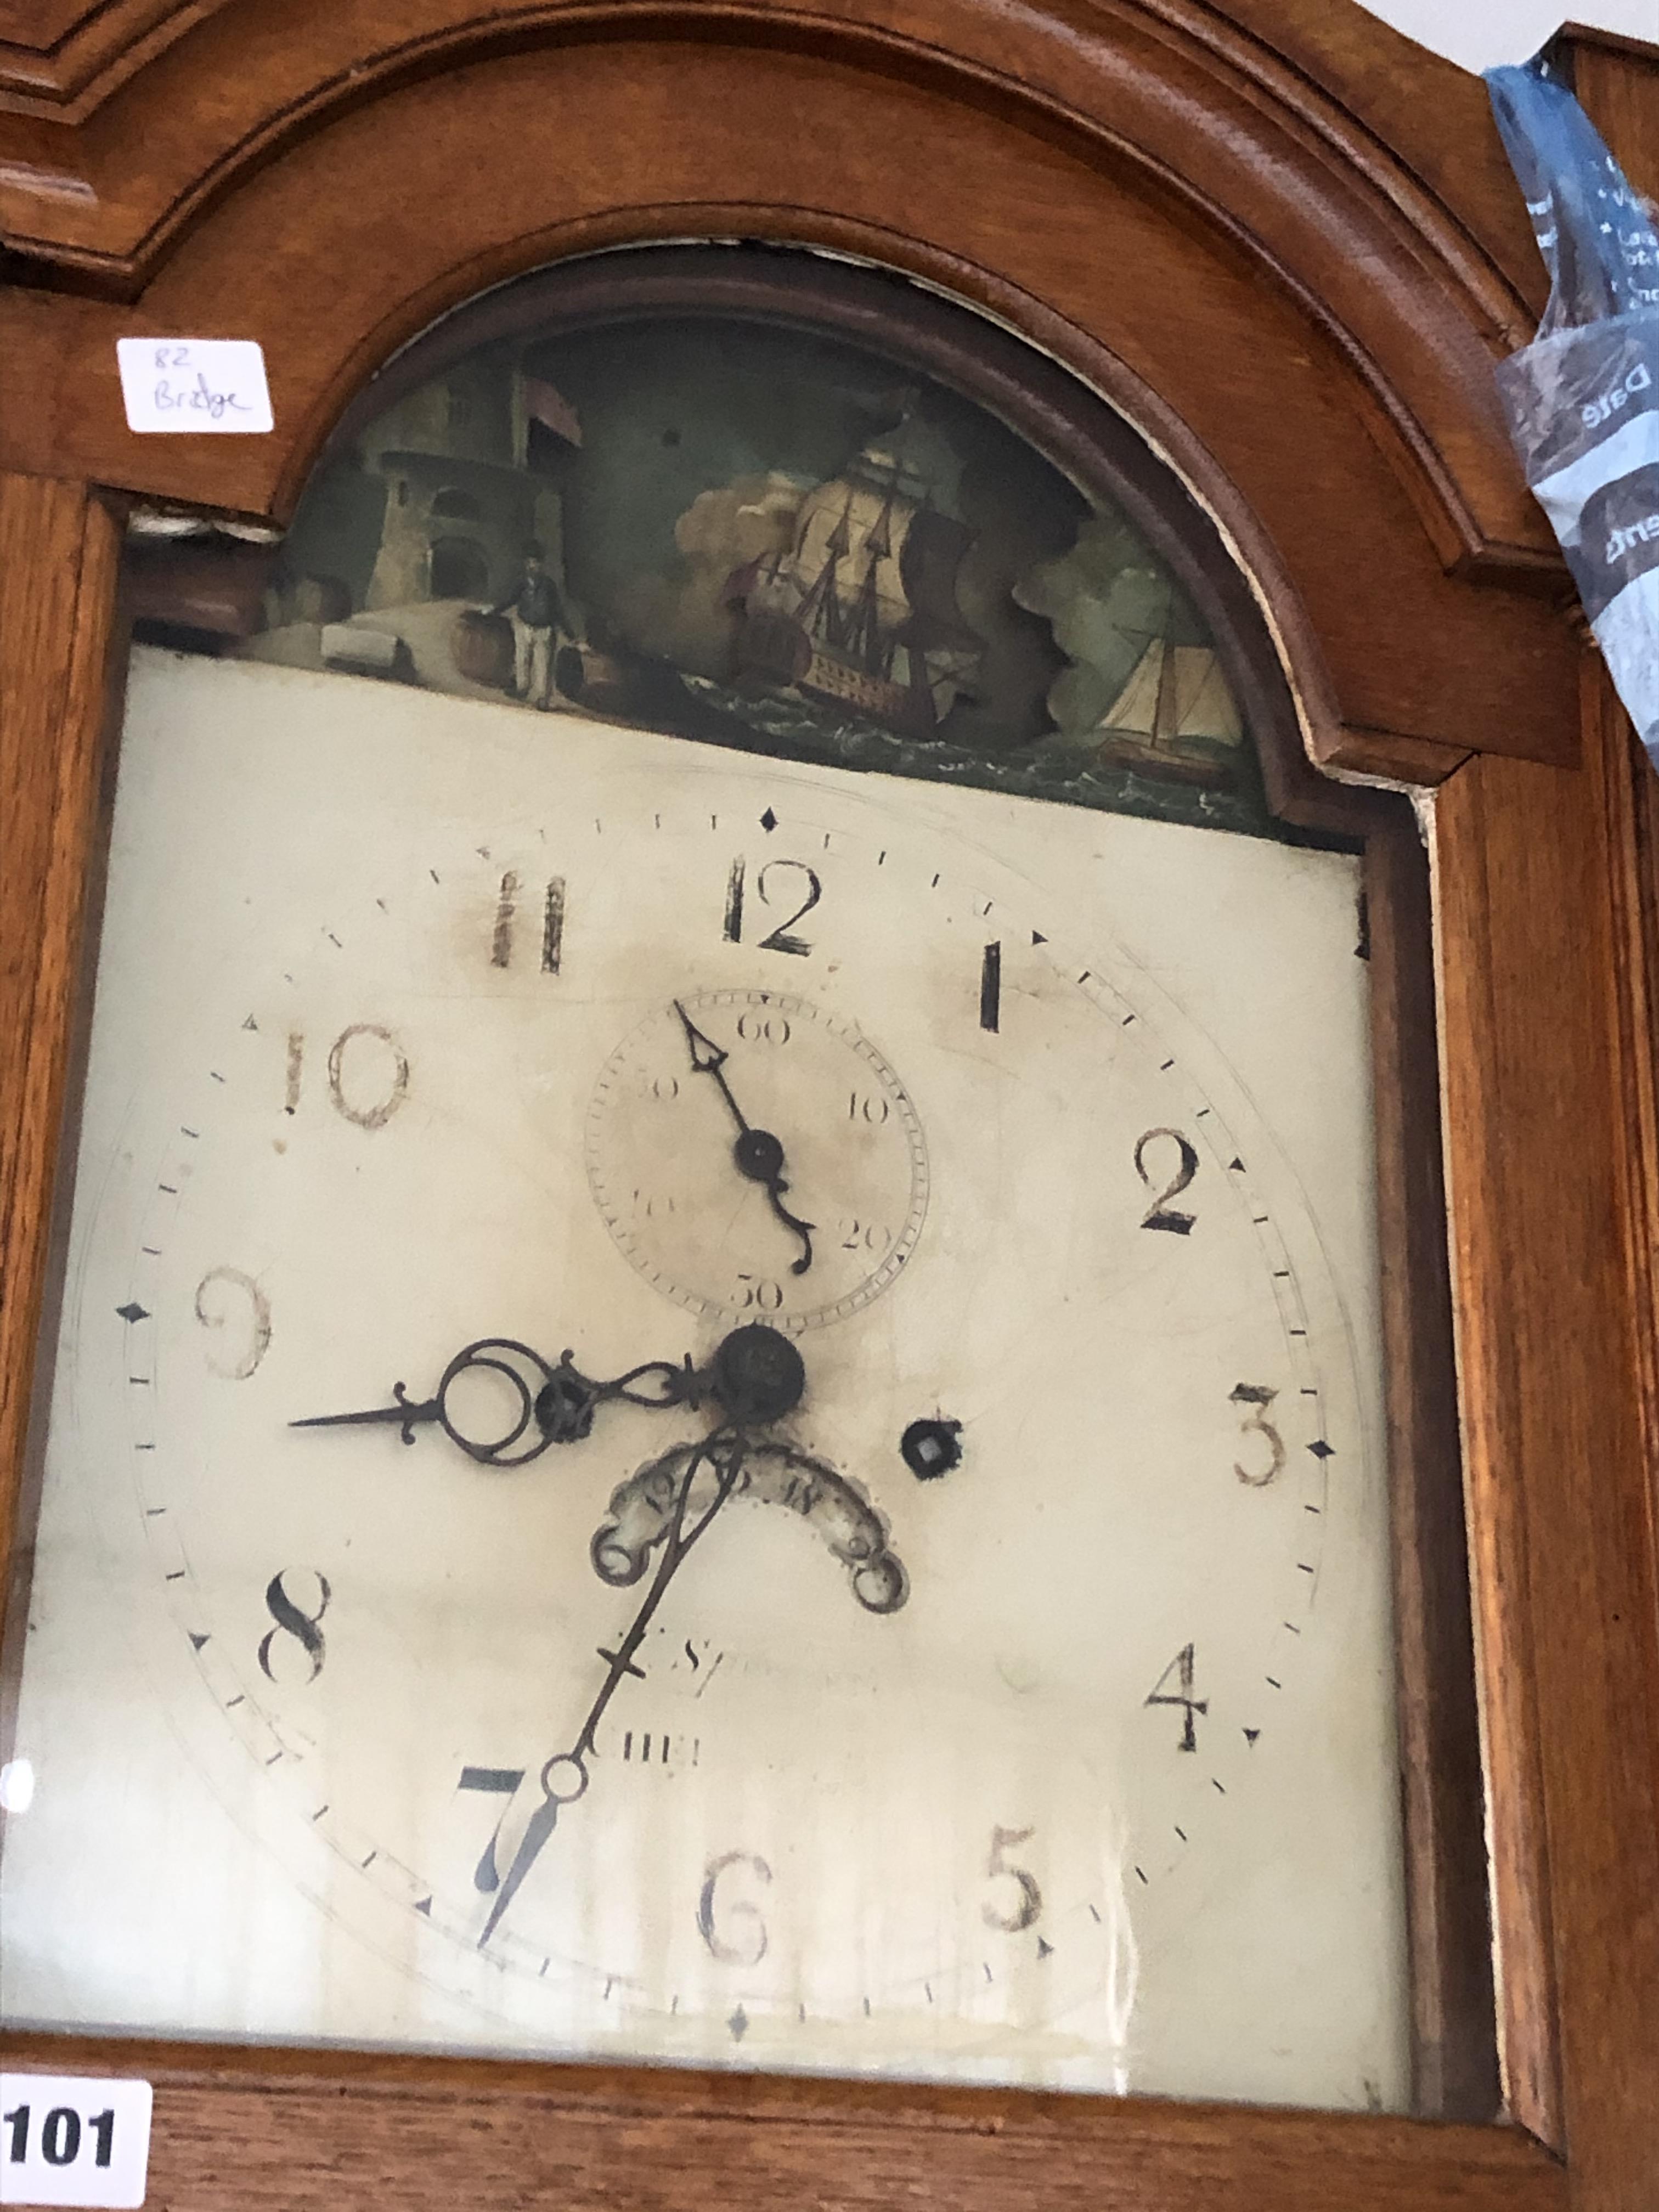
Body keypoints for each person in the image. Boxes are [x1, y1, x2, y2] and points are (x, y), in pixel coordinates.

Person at [493, 544, 565, 709]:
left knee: (543, 665)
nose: (534, 566)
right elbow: (510, 600)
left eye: (537, 563)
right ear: (527, 564)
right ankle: (522, 689)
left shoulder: (549, 585)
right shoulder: (522, 583)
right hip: (524, 626)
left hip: (544, 630)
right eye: (531, 563)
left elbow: (558, 610)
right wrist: (495, 610)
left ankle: (543, 699)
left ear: (542, 565)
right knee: (522, 659)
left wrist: (571, 636)